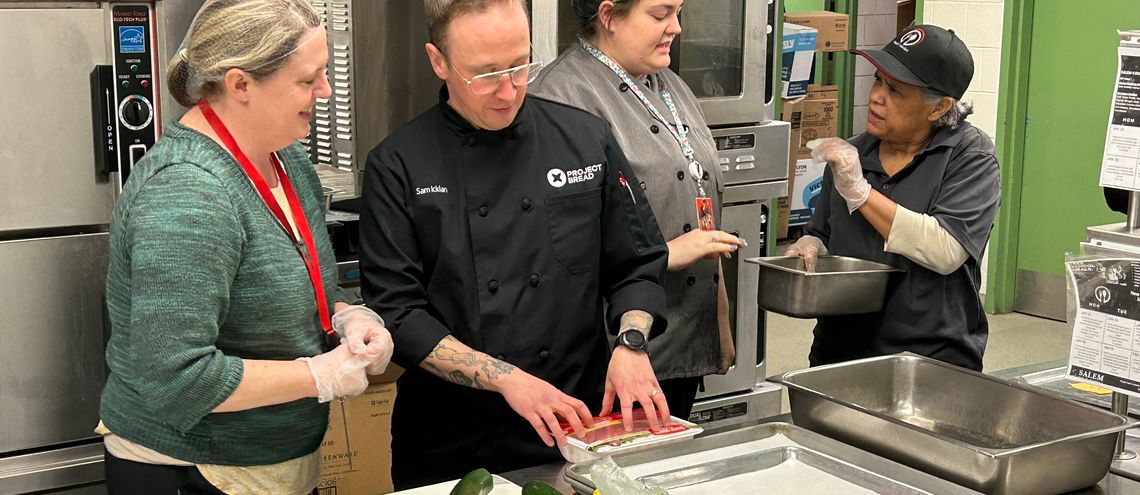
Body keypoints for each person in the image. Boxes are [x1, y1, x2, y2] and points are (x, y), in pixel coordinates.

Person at [358, 0, 672, 488]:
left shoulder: (585, 139)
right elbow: (398, 314)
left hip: (573, 426)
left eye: (521, 65)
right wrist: (507, 379)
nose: (509, 92)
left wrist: (631, 344)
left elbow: (638, 262)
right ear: (439, 62)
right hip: (451, 442)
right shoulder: (398, 166)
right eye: (485, 75)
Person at [97, 1, 393, 493]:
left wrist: (346, 316)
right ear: (240, 84)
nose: (325, 90)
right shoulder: (188, 193)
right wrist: (319, 375)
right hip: (193, 468)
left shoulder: (286, 160)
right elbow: (179, 379)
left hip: (273, 461)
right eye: (308, 79)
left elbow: (292, 289)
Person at [530, 0, 744, 419]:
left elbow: (700, 202)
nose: (677, 28)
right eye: (660, 15)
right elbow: (552, 254)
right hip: (615, 357)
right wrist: (665, 253)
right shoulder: (561, 98)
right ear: (608, 16)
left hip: (683, 339)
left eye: (679, 13)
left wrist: (720, 326)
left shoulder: (669, 85)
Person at [786, 24, 1000, 371]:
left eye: (896, 91)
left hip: (928, 359)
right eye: (877, 80)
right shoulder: (854, 152)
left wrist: (861, 193)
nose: (876, 97)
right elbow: (824, 233)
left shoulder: (969, 157)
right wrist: (810, 246)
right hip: (841, 351)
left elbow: (945, 249)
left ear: (938, 107)